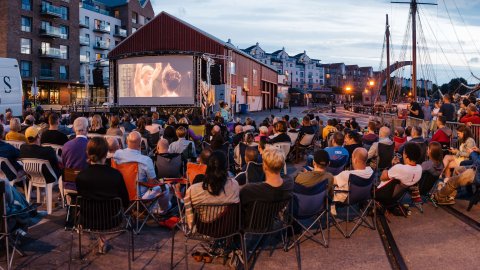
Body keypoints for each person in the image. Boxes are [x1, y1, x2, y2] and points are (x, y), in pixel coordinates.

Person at [76, 137, 130, 254]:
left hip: (88, 219)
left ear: (88, 153)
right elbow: (125, 202)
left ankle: (101, 239)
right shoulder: (115, 175)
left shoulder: (81, 176)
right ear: (106, 153)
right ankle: (102, 240)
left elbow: (80, 200)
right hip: (112, 220)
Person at [114, 131, 171, 212]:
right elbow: (152, 182)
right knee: (165, 187)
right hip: (139, 197)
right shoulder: (146, 160)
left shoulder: (117, 154)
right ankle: (164, 210)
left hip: (121, 193)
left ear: (127, 142)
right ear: (140, 144)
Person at [184, 151, 239, 228]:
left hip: (205, 228)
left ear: (207, 166)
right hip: (228, 228)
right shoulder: (234, 185)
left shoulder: (192, 190)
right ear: (226, 167)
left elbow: (190, 218)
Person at [240, 147, 293, 222]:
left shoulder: (249, 190)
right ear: (282, 165)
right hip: (275, 223)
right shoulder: (289, 182)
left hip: (254, 226)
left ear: (264, 166)